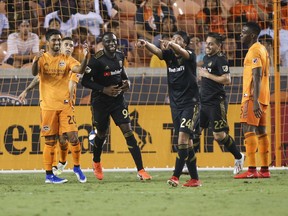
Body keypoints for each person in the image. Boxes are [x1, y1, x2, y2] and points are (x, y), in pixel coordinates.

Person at [81, 31, 152, 181]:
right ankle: (96, 162)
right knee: (101, 133)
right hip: (100, 101)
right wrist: (103, 89)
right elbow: (85, 81)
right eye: (108, 41)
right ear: (103, 44)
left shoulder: (120, 56)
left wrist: (127, 83)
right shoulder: (96, 60)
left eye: (114, 41)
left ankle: (141, 169)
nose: (112, 44)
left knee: (128, 131)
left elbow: (123, 75)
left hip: (118, 101)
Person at [136, 31, 201, 187]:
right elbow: (158, 51)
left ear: (185, 44)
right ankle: (195, 179)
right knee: (188, 143)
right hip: (175, 105)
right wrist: (146, 43)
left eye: (179, 39)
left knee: (182, 139)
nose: (174, 41)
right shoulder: (169, 57)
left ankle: (175, 176)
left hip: (191, 104)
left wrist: (171, 44)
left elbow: (181, 52)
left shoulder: (189, 56)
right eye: (173, 38)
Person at [32, 29, 89, 184]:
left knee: (73, 136)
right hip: (48, 106)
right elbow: (34, 73)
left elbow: (80, 70)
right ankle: (49, 175)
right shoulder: (42, 58)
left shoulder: (68, 59)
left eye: (59, 40)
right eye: (54, 40)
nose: (57, 43)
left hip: (65, 106)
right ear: (48, 41)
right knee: (50, 141)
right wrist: (35, 60)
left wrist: (85, 58)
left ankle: (76, 167)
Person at [18, 36, 80, 176]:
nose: (69, 47)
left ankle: (62, 163)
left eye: (71, 45)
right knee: (56, 139)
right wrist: (26, 90)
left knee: (67, 137)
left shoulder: (72, 65)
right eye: (66, 45)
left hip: (66, 106)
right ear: (61, 47)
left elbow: (73, 83)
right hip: (51, 105)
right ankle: (57, 165)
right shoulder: (53, 61)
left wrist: (68, 100)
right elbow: (39, 77)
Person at [198, 32, 244, 175]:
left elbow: (227, 80)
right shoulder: (206, 58)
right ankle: (189, 164)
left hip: (216, 102)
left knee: (218, 135)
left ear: (219, 46)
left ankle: (239, 156)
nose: (208, 46)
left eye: (211, 43)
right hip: (203, 102)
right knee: (194, 131)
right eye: (207, 43)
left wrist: (207, 75)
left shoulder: (221, 60)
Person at [234, 22, 271, 179]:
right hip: (263, 96)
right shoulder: (261, 49)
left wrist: (254, 100)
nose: (240, 35)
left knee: (248, 130)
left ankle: (251, 170)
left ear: (252, 35)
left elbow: (256, 75)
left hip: (252, 97)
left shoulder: (254, 51)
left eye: (243, 32)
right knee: (262, 132)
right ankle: (264, 169)